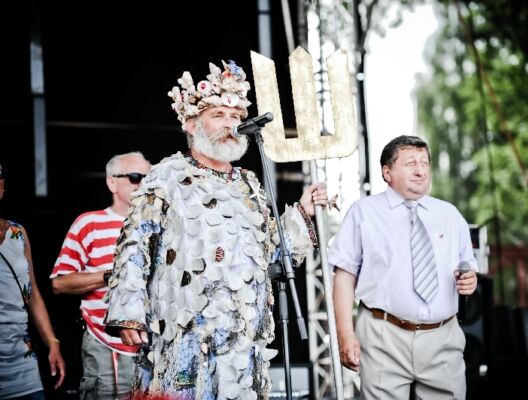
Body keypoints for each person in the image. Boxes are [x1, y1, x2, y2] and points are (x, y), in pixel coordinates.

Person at [104, 59, 327, 399]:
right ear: (192, 124)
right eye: (219, 115)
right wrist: (128, 312)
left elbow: (271, 255)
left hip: (241, 339)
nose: (230, 124)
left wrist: (303, 212)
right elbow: (135, 244)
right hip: (185, 331)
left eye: (236, 116)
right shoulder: (166, 176)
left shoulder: (249, 184)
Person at [330, 135, 479, 400]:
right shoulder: (363, 212)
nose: (420, 171)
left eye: (424, 163)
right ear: (387, 172)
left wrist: (470, 281)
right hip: (382, 335)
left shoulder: (450, 215)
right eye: (410, 163)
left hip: (442, 336)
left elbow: (467, 269)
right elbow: (344, 276)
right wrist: (345, 334)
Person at [50, 152, 151, 399]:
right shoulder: (89, 223)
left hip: (155, 349)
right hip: (107, 347)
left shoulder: (161, 224)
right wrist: (111, 275)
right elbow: (59, 284)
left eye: (149, 178)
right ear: (112, 182)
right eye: (135, 177)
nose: (143, 184)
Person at [0, 162, 66, 399]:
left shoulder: (18, 233)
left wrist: (52, 342)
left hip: (21, 360)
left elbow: (33, 293)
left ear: (3, 186)